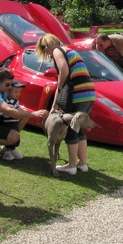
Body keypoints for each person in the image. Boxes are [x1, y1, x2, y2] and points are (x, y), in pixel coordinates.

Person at [36, 33, 96, 175]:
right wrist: (54, 106)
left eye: (45, 49)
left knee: (70, 128)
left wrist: (61, 89)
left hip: (77, 94)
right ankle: (82, 163)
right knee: (79, 128)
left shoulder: (57, 50)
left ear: (49, 45)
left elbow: (63, 71)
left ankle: (71, 165)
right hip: (88, 93)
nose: (47, 53)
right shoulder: (69, 50)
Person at [0, 68, 47, 160]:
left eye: (11, 84)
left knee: (25, 116)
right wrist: (34, 114)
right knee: (14, 136)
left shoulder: (4, 89)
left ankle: (8, 148)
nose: (10, 87)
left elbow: (15, 107)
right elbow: (9, 111)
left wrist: (29, 113)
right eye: (7, 84)